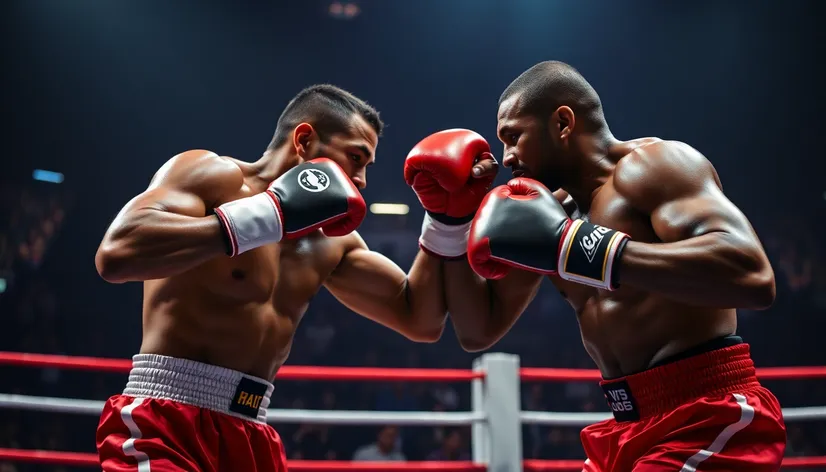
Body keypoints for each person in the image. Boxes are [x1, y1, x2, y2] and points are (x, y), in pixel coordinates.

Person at [405, 62, 786, 471]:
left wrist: (580, 247)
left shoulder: (654, 166)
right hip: (624, 424)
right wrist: (452, 219)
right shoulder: (551, 216)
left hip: (707, 412)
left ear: (563, 123)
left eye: (514, 137)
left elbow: (752, 276)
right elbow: (478, 328)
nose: (506, 157)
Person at [94, 84, 452, 471]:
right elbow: (116, 255)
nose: (362, 180)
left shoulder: (333, 242)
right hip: (166, 422)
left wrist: (446, 221)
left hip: (251, 432)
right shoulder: (214, 178)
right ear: (304, 140)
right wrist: (266, 216)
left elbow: (421, 319)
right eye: (355, 157)